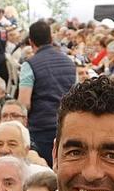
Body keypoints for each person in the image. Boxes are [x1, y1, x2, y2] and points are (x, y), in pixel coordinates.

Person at [18, 20, 77, 163]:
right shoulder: (69, 63)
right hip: (67, 126)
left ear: (31, 42)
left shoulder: (29, 65)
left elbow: (24, 103)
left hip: (40, 129)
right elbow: (76, 95)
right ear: (51, 39)